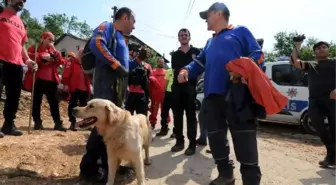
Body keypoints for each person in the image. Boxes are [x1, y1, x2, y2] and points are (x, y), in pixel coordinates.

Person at [178, 2, 264, 185]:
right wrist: (186, 69)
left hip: (238, 94)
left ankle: (251, 181)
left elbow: (258, 54)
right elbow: (198, 62)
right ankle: (226, 175)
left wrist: (244, 69)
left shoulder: (240, 31)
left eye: (207, 16)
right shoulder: (210, 42)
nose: (205, 21)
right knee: (216, 139)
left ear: (218, 14)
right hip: (212, 97)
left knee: (245, 142)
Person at [79, 7, 134, 183]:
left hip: (116, 91)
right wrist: (115, 65)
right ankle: (89, 168)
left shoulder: (121, 39)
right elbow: (96, 44)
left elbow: (125, 67)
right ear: (125, 17)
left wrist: (136, 62)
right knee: (101, 127)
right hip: (105, 87)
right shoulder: (107, 27)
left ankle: (108, 166)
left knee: (111, 128)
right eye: (133, 21)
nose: (134, 26)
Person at [290, 40, 336, 168]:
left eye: (324, 47)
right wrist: (298, 45)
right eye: (318, 48)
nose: (321, 49)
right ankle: (333, 153)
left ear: (328, 50)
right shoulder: (311, 64)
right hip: (315, 100)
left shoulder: (334, 62)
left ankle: (330, 157)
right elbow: (294, 62)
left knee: (334, 129)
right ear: (314, 52)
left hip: (333, 100)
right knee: (316, 124)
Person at [0, 0, 37, 138]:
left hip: (16, 63)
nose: (22, 1)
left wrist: (28, 60)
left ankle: (9, 124)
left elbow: (21, 46)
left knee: (13, 96)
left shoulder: (21, 23)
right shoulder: (1, 13)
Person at [23, 32, 67, 131]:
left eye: (53, 41)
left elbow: (61, 61)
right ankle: (37, 122)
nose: (51, 42)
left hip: (51, 80)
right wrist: (41, 56)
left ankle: (57, 123)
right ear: (43, 38)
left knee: (54, 102)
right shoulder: (35, 48)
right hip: (38, 80)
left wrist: (55, 50)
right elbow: (27, 56)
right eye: (49, 40)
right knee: (36, 102)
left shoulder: (53, 50)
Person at [171, 28, 200, 156]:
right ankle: (179, 142)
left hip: (190, 89)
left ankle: (192, 144)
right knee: (177, 116)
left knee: (191, 117)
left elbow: (200, 69)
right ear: (178, 38)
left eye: (185, 35)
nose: (183, 37)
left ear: (189, 37)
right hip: (177, 88)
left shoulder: (196, 52)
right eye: (181, 35)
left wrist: (194, 82)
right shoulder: (175, 55)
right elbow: (174, 72)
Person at [62, 52, 92, 131]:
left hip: (84, 89)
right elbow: (66, 74)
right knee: (72, 105)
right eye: (81, 54)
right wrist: (66, 84)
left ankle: (86, 123)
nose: (83, 56)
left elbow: (89, 76)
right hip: (74, 88)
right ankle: (72, 123)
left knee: (85, 106)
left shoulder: (86, 64)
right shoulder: (71, 63)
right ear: (78, 55)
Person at [125, 47, 158, 117]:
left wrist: (149, 98)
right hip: (130, 93)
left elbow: (150, 82)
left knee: (142, 118)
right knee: (127, 118)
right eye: (138, 51)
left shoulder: (148, 66)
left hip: (142, 95)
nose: (138, 53)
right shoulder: (129, 63)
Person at [149, 58, 170, 128]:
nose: (161, 63)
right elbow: (151, 81)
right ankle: (152, 123)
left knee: (165, 110)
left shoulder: (166, 72)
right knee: (154, 109)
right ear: (157, 63)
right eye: (160, 62)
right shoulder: (153, 72)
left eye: (162, 62)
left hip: (164, 93)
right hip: (155, 93)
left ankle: (166, 122)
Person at [156, 68, 174, 137]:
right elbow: (166, 83)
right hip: (168, 94)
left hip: (176, 94)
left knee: (176, 114)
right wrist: (164, 93)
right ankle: (164, 130)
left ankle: (175, 132)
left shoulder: (180, 70)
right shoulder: (169, 71)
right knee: (164, 113)